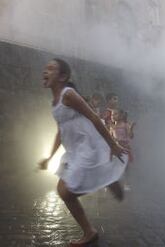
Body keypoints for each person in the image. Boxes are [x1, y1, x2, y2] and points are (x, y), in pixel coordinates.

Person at [38, 58, 128, 246]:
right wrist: (49, 157)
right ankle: (90, 229)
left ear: (63, 76)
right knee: (64, 191)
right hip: (75, 149)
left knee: (64, 190)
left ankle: (90, 229)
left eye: (51, 68)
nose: (45, 71)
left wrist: (112, 144)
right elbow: (60, 132)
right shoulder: (54, 104)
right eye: (45, 68)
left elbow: (94, 117)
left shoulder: (68, 94)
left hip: (89, 146)